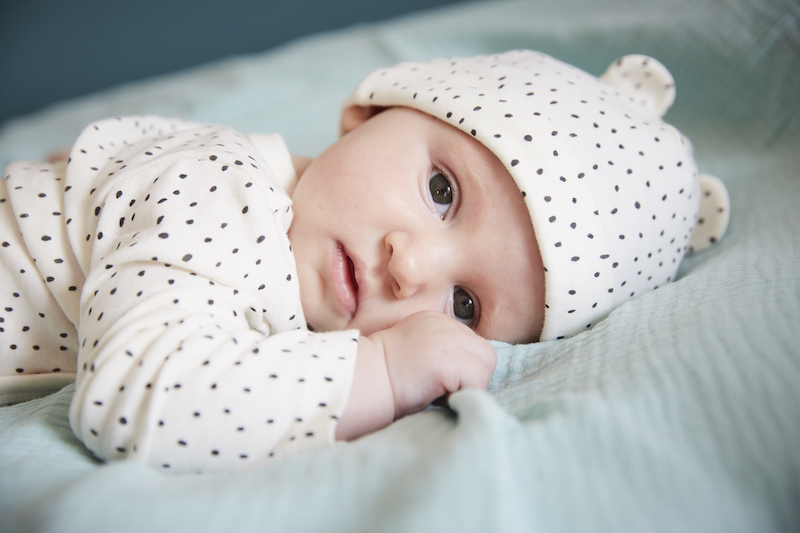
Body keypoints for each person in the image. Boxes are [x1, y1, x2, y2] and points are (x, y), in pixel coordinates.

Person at [0, 50, 729, 474]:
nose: (411, 269)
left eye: (464, 306)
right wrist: (379, 372)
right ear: (370, 111)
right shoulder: (226, 188)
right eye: (442, 192)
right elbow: (131, 399)